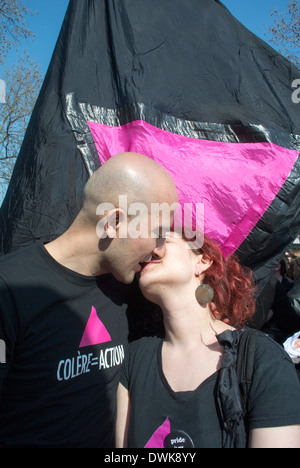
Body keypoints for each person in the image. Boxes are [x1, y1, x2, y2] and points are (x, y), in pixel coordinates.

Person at [0, 152, 178, 448]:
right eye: (158, 233)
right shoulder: (10, 290)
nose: (160, 250)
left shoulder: (129, 289)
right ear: (113, 223)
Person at [116, 232, 300, 448]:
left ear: (202, 261)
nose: (149, 249)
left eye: (163, 238)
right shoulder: (133, 360)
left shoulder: (263, 360)